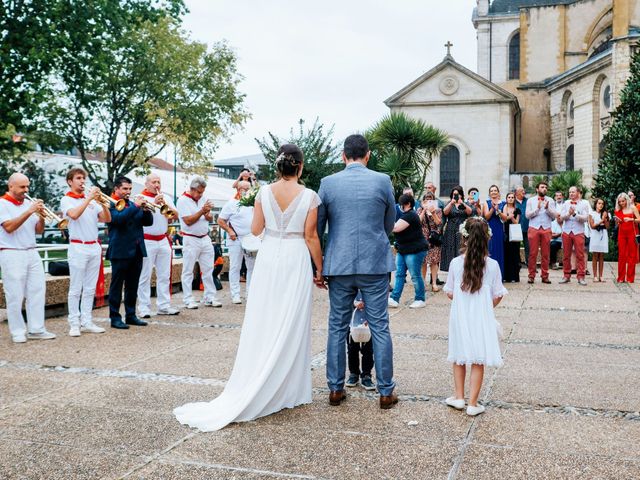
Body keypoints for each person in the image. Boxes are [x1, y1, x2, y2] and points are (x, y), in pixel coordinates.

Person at [174, 143, 324, 431]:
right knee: (292, 319)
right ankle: (288, 387)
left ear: (278, 167)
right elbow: (311, 236)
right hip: (295, 258)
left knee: (265, 316)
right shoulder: (310, 196)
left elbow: (255, 230)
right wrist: (320, 268)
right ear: (300, 167)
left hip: (269, 257)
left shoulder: (264, 193)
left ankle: (261, 375)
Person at [317, 134, 398, 410]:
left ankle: (335, 389)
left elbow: (319, 228)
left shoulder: (327, 184)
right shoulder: (382, 181)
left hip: (338, 265)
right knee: (380, 327)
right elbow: (390, 223)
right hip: (374, 264)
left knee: (337, 327)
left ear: (343, 156)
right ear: (368, 155)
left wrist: (319, 266)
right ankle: (386, 391)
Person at [443, 217, 506, 416]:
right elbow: (498, 295)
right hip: (481, 317)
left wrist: (464, 302)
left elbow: (450, 292)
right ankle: (472, 403)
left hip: (460, 315)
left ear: (464, 237)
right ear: (487, 238)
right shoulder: (493, 265)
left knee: (459, 355)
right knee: (479, 358)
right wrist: (485, 307)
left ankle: (459, 397)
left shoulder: (455, 263)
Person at [0, 173, 55, 343]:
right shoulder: (2, 203)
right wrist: (29, 210)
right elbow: (9, 227)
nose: (26, 190)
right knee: (15, 294)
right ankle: (17, 331)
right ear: (11, 187)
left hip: (32, 251)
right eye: (22, 187)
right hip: (12, 252)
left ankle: (36, 329)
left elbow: (38, 230)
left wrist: (40, 216)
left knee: (37, 291)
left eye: (27, 186)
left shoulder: (27, 204)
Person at [60, 168, 110, 336]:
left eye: (83, 178)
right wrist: (89, 198)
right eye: (78, 178)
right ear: (70, 181)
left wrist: (102, 202)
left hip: (94, 246)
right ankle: (74, 323)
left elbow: (107, 219)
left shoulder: (91, 201)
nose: (83, 181)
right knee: (76, 288)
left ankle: (87, 321)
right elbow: (73, 215)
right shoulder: (66, 199)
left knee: (89, 288)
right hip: (78, 246)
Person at [105, 176, 153, 329]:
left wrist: (146, 211)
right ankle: (114, 317)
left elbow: (147, 222)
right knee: (117, 286)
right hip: (120, 250)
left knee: (133, 285)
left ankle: (131, 315)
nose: (128, 192)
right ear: (116, 189)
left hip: (137, 250)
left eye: (130, 189)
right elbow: (118, 220)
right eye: (125, 189)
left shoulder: (133, 204)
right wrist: (136, 207)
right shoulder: (110, 204)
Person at [136, 174, 180, 318]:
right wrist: (153, 204)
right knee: (145, 275)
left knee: (164, 275)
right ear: (146, 184)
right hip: (147, 239)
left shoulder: (165, 197)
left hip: (162, 239)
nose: (157, 185)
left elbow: (175, 215)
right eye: (154, 182)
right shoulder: (140, 197)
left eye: (158, 181)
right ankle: (144, 307)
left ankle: (164, 306)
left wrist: (163, 205)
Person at [176, 177, 222, 309]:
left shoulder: (203, 198)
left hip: (205, 237)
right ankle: (188, 299)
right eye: (199, 192)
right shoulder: (182, 200)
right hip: (191, 238)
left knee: (208, 269)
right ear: (192, 189)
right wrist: (202, 211)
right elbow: (188, 221)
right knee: (188, 270)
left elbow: (209, 217)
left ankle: (210, 297)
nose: (201, 195)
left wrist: (207, 214)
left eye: (202, 192)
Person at [217, 180, 256, 304]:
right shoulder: (231, 204)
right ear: (238, 190)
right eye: (244, 189)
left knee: (251, 267)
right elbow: (220, 220)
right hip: (235, 238)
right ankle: (235, 294)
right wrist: (229, 230)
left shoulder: (254, 203)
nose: (246, 191)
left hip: (250, 238)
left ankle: (250, 292)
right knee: (235, 266)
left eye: (248, 188)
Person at [389, 194, 429, 309]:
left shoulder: (410, 215)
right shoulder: (407, 215)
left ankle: (420, 299)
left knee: (415, 276)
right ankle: (394, 298)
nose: (400, 206)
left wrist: (386, 222)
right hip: (403, 249)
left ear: (408, 204)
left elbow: (396, 228)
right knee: (399, 274)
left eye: (402, 204)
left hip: (414, 250)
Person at [525, 181, 556, 284]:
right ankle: (531, 276)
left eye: (546, 187)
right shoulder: (530, 200)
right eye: (542, 187)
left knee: (546, 254)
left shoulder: (551, 200)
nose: (544, 189)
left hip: (546, 228)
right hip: (534, 228)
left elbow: (554, 216)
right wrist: (537, 209)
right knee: (532, 253)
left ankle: (545, 275)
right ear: (537, 189)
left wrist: (547, 209)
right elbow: (527, 215)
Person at [558, 186, 589, 285]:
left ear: (578, 193)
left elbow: (586, 218)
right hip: (566, 231)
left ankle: (581, 277)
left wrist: (575, 214)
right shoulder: (566, 203)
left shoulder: (584, 204)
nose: (571, 194)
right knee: (566, 255)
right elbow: (561, 217)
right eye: (570, 192)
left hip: (578, 231)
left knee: (580, 255)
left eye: (573, 192)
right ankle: (566, 275)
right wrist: (568, 213)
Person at [345, 293, 375, 391]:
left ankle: (366, 374)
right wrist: (353, 303)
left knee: (368, 350)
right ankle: (354, 373)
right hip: (352, 322)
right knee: (352, 349)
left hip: (368, 321)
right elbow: (343, 297)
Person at [440, 186, 472, 273]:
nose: (456, 195)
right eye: (454, 194)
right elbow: (445, 212)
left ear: (461, 195)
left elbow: (470, 212)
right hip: (450, 230)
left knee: (461, 249)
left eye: (458, 194)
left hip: (462, 230)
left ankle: (462, 271)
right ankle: (451, 272)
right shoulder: (449, 203)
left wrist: (463, 203)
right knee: (450, 250)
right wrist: (451, 203)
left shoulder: (465, 203)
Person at [613, 193, 640, 283]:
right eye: (619, 202)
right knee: (621, 255)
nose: (621, 203)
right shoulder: (618, 209)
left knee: (632, 255)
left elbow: (639, 219)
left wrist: (631, 219)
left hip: (632, 232)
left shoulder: (633, 208)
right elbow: (618, 223)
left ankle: (630, 278)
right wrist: (618, 221)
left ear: (627, 200)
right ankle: (621, 277)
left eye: (623, 201)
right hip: (622, 233)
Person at [419, 192, 443, 292]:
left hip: (434, 237)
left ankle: (433, 283)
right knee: (423, 261)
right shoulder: (420, 210)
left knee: (434, 261)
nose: (428, 200)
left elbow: (438, 223)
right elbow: (418, 222)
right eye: (426, 199)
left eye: (430, 199)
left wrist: (433, 212)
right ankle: (422, 283)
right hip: (423, 237)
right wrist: (424, 209)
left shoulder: (438, 210)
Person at [483, 185, 506, 277]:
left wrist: (498, 211)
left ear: (498, 192)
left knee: (499, 250)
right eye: (491, 191)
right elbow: (486, 217)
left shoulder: (503, 203)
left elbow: (504, 218)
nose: (493, 192)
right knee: (489, 249)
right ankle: (488, 275)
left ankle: (499, 275)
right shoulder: (486, 203)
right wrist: (492, 208)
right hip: (489, 229)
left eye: (495, 190)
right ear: (489, 193)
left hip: (499, 229)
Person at [501, 192, 521, 282]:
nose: (510, 199)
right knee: (506, 254)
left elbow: (517, 222)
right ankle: (506, 276)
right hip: (506, 233)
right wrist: (509, 216)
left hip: (514, 233)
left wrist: (512, 217)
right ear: (506, 199)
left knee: (514, 255)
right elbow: (504, 219)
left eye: (512, 197)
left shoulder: (517, 209)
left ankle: (514, 277)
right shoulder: (504, 207)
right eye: (509, 197)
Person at [588, 198, 609, 282]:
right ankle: (595, 276)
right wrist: (601, 220)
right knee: (595, 255)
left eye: (602, 204)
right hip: (595, 235)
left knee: (601, 256)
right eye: (599, 203)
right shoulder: (591, 214)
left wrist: (606, 218)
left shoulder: (605, 214)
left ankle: (601, 275)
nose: (601, 205)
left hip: (603, 235)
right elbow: (592, 226)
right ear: (596, 204)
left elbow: (607, 227)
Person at [514, 186, 529, 265]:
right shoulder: (513, 202)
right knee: (516, 247)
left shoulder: (528, 201)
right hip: (516, 228)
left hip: (527, 228)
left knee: (528, 247)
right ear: (516, 193)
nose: (523, 192)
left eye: (524, 190)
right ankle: (518, 264)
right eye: (521, 191)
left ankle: (529, 264)